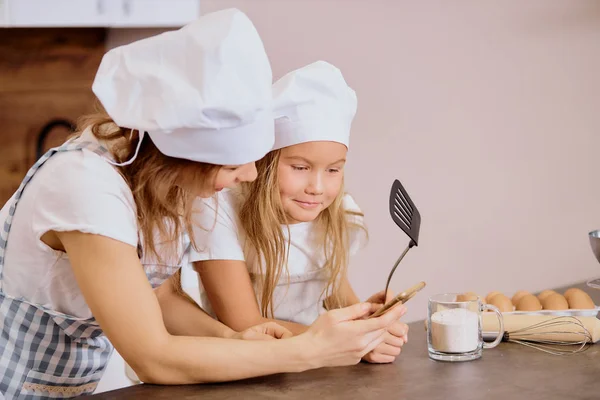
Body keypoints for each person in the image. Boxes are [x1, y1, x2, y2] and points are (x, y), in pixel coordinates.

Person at [0, 10, 405, 399]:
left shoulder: (162, 184)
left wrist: (232, 339)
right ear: (183, 157)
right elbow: (153, 358)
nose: (250, 175)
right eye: (234, 163)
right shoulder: (84, 186)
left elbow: (159, 297)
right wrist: (309, 350)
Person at [182, 61, 409, 365]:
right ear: (265, 164)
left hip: (316, 368)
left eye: (333, 170)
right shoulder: (219, 208)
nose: (317, 187)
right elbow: (245, 323)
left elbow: (332, 291)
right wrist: (348, 342)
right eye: (300, 168)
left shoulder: (336, 211)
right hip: (244, 368)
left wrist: (369, 319)